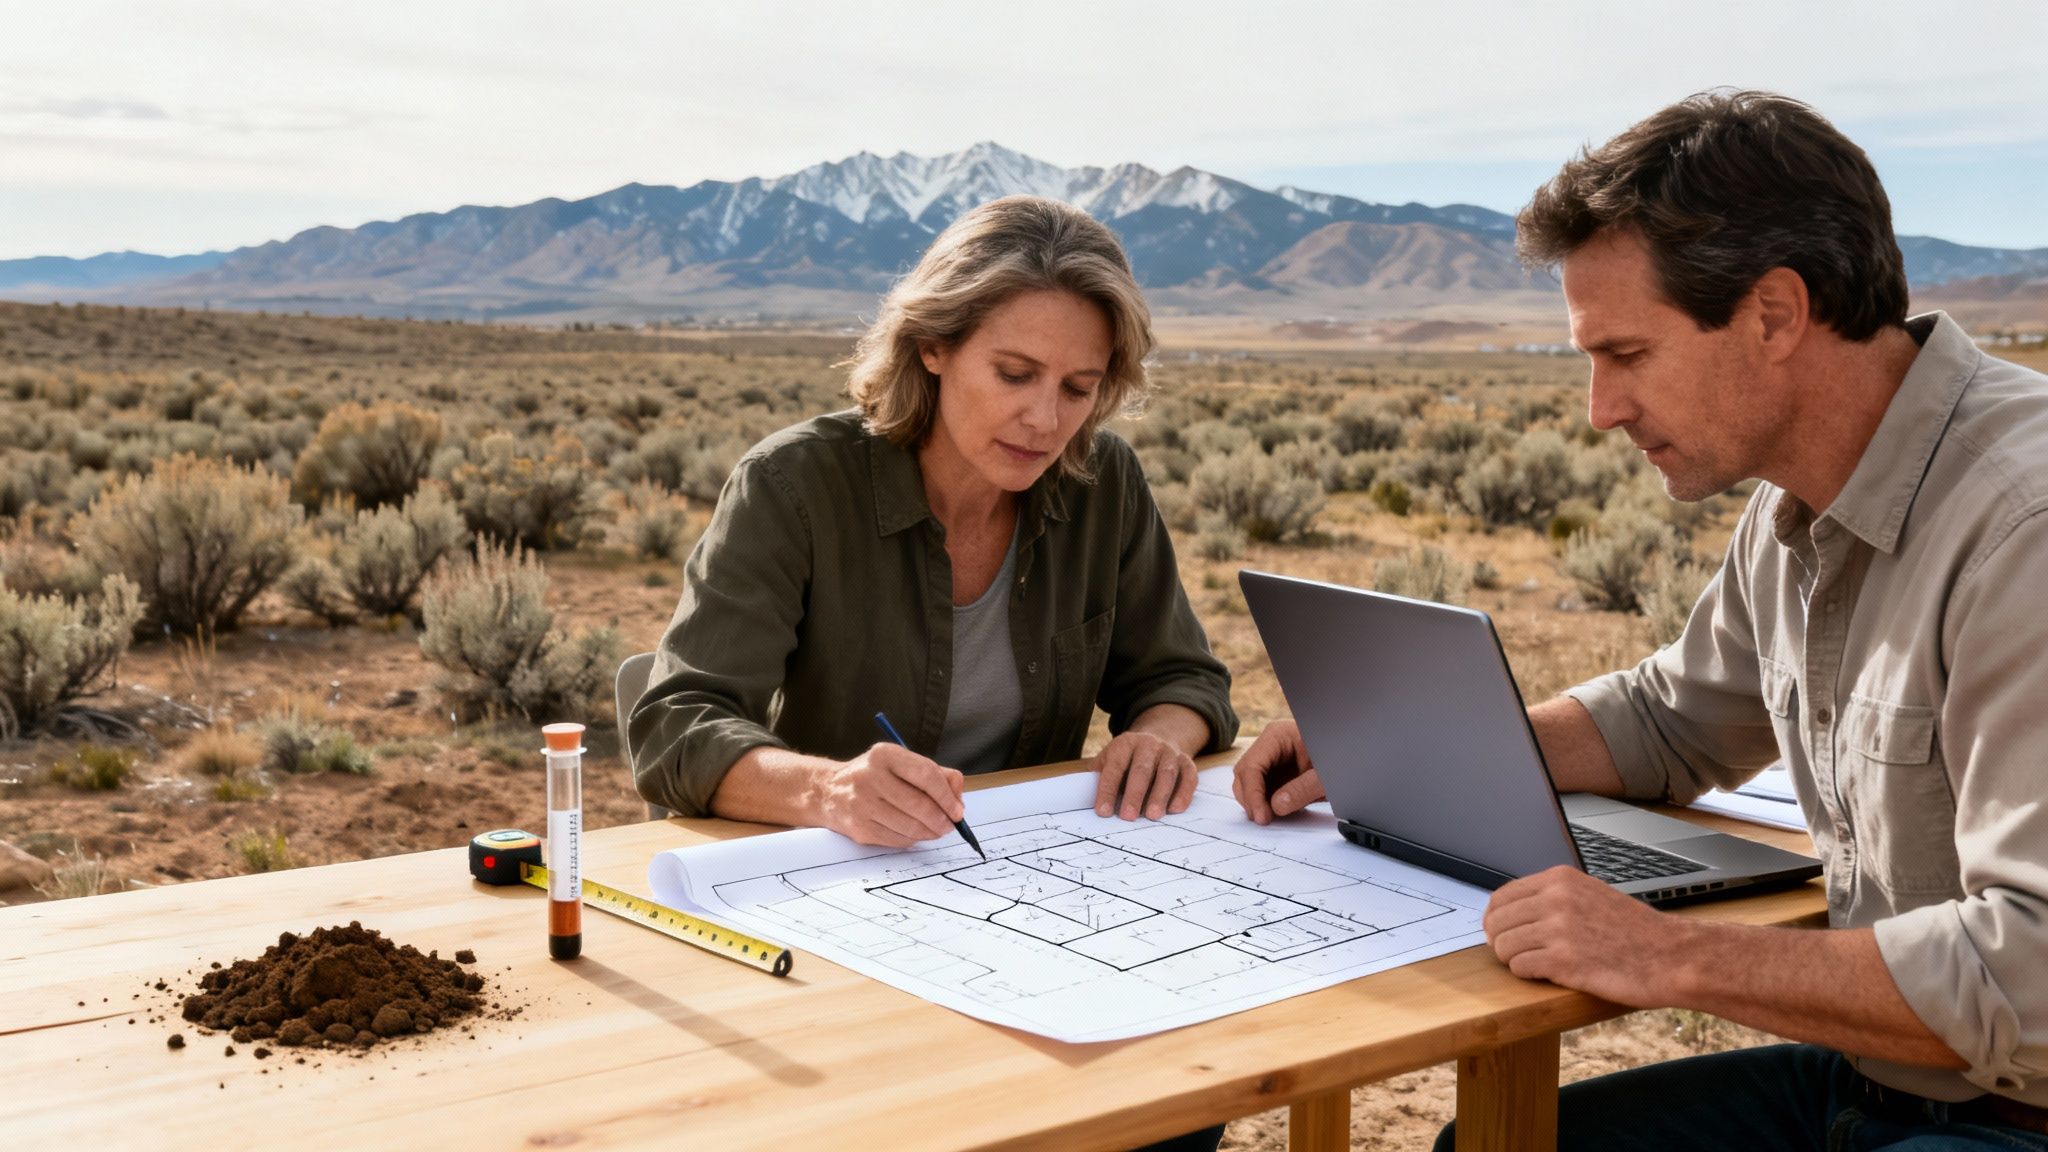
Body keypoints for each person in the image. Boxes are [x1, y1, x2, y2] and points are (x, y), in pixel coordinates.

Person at [1234, 91, 2048, 1150]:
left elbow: (2029, 972)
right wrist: (1406, 751)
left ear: (1772, 315)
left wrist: (1665, 959)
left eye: (1624, 354)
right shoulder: (1797, 499)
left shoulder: (2019, 529)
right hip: (1881, 1084)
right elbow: (1670, 721)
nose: (1598, 409)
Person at [629, 193, 1237, 846]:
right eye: (1014, 374)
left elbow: (1181, 678)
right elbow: (676, 725)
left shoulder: (1103, 481)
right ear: (932, 346)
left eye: (1077, 389)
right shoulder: (790, 486)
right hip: (826, 875)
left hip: (1036, 876)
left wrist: (1159, 739)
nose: (1046, 420)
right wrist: (829, 792)